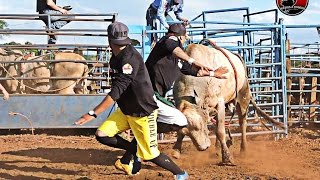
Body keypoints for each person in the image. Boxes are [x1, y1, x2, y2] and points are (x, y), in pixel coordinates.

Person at [74, 22, 188, 180]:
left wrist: (92, 114)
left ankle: (181, 173)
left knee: (150, 155)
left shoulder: (130, 59)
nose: (120, 47)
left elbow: (117, 90)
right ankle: (134, 150)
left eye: (122, 44)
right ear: (110, 41)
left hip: (142, 112)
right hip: (127, 110)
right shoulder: (115, 58)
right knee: (102, 134)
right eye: (117, 43)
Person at [117, 23, 229, 176]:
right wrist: (192, 60)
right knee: (163, 123)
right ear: (180, 37)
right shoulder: (167, 42)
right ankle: (133, 158)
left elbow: (190, 71)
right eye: (183, 39)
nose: (183, 42)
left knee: (151, 126)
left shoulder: (172, 57)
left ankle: (128, 159)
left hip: (151, 94)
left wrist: (212, 74)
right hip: (147, 93)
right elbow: (173, 46)